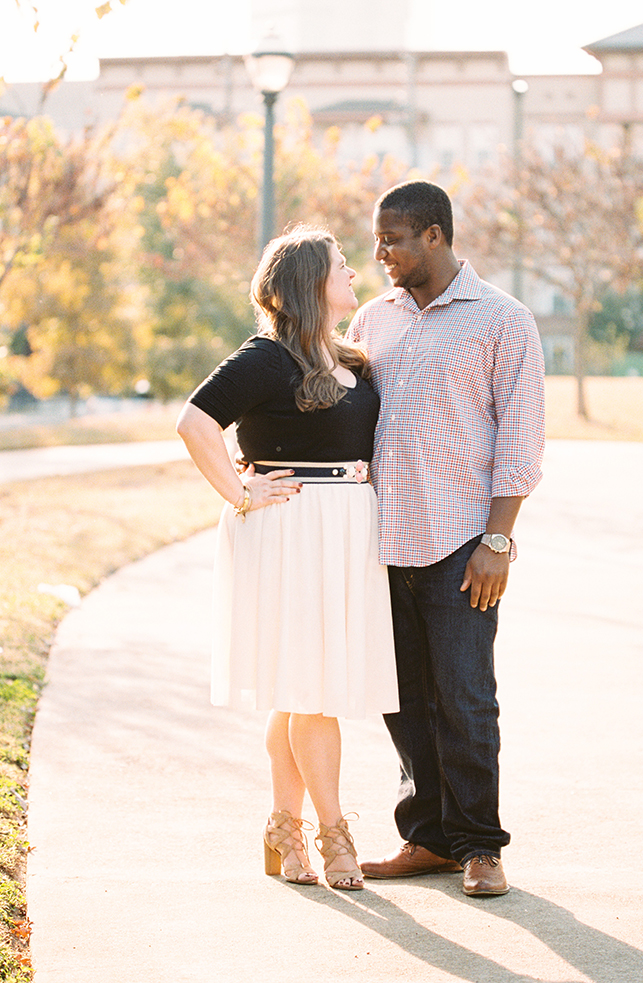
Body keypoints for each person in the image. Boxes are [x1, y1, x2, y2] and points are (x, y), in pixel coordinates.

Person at [176, 227, 399, 891]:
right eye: (341, 266)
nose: (355, 272)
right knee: (314, 691)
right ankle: (334, 835)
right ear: (310, 282)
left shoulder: (355, 361)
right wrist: (239, 491)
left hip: (345, 529)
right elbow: (194, 423)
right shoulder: (265, 358)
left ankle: (281, 827)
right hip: (286, 530)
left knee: (299, 686)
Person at [348, 180, 545, 896]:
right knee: (399, 698)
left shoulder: (502, 320)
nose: (380, 253)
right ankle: (427, 836)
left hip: (461, 542)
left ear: (435, 235)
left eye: (393, 238)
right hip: (379, 543)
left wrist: (499, 540)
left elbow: (520, 440)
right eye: (377, 239)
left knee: (464, 697)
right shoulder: (372, 321)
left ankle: (480, 845)